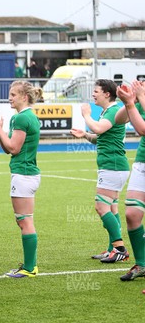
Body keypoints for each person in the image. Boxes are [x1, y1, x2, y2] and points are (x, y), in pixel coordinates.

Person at [0, 81, 42, 278]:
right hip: (27, 173)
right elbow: (8, 148)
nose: (10, 98)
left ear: (24, 97)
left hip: (24, 173)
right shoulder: (25, 117)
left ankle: (30, 267)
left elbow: (13, 149)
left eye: (13, 94)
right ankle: (29, 265)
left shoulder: (21, 118)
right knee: (24, 220)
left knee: (24, 221)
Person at [70, 79, 130, 263]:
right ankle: (113, 248)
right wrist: (85, 135)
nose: (93, 94)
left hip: (113, 166)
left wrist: (86, 115)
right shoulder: (108, 111)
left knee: (101, 206)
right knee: (111, 208)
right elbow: (99, 136)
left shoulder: (112, 110)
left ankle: (120, 248)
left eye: (96, 91)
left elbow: (98, 127)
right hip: (113, 166)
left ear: (107, 94)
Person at [115, 81, 145, 282]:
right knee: (132, 214)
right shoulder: (141, 95)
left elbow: (143, 129)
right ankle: (142, 264)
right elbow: (119, 121)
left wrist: (138, 100)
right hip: (142, 162)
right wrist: (128, 101)